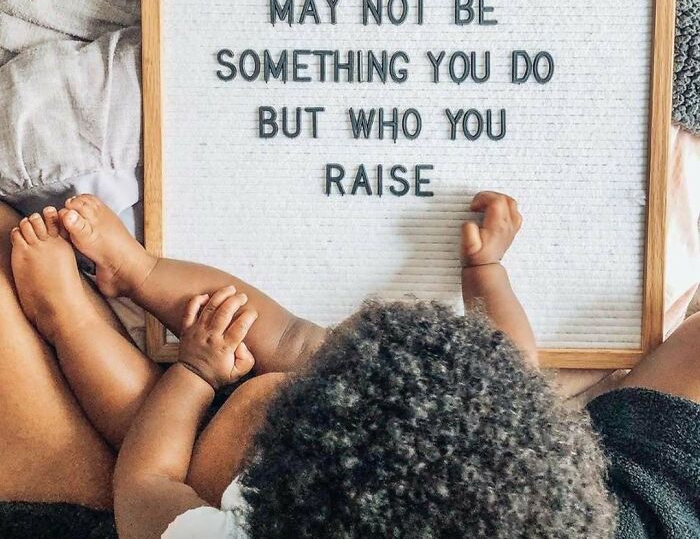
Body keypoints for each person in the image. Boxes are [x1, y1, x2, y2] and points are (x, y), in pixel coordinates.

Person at [1, 193, 699, 537]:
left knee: (136, 411)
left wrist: (194, 375)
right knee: (293, 338)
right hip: (374, 426)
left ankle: (69, 316)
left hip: (196, 453)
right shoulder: (520, 459)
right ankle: (141, 273)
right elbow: (511, 352)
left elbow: (143, 485)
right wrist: (485, 268)